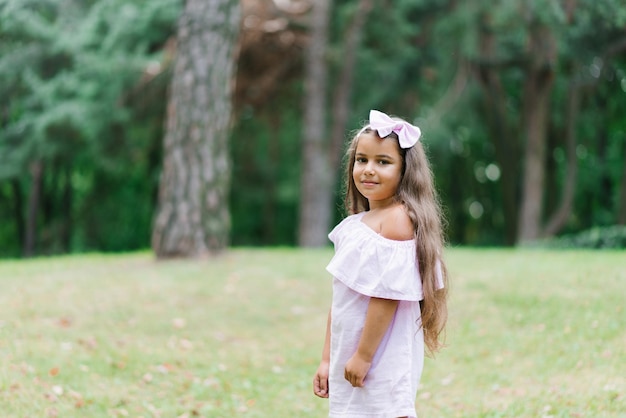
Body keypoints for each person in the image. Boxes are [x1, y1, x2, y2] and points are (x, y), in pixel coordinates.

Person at [313, 110, 449, 418]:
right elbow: (341, 301)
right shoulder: (356, 224)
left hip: (381, 353)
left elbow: (386, 296)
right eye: (362, 160)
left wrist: (363, 356)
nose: (368, 170)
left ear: (405, 171)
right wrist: (327, 359)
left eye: (383, 162)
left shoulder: (398, 221)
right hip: (351, 349)